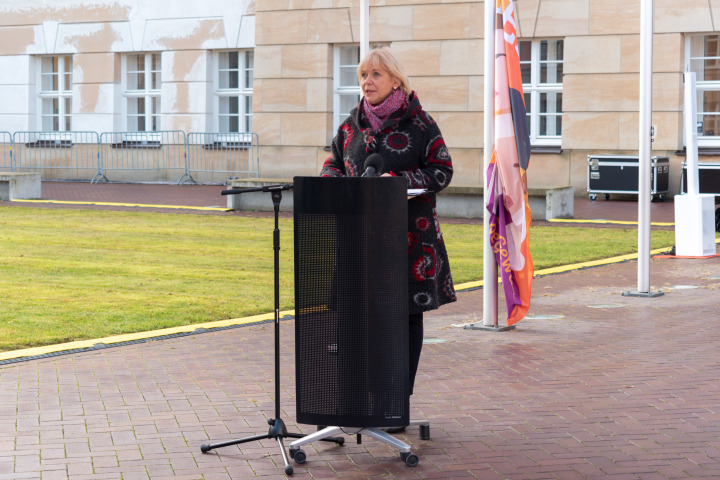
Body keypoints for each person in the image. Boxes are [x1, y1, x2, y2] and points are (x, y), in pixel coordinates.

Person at [320, 47, 457, 431]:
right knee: (357, 318)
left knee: (403, 317)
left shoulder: (420, 123)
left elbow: (442, 171)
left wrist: (398, 184)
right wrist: (334, 182)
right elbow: (332, 162)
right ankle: (359, 397)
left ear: (396, 80)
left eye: (376, 75)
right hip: (359, 241)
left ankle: (396, 400)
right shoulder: (351, 125)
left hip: (409, 241)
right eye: (363, 75)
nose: (367, 81)